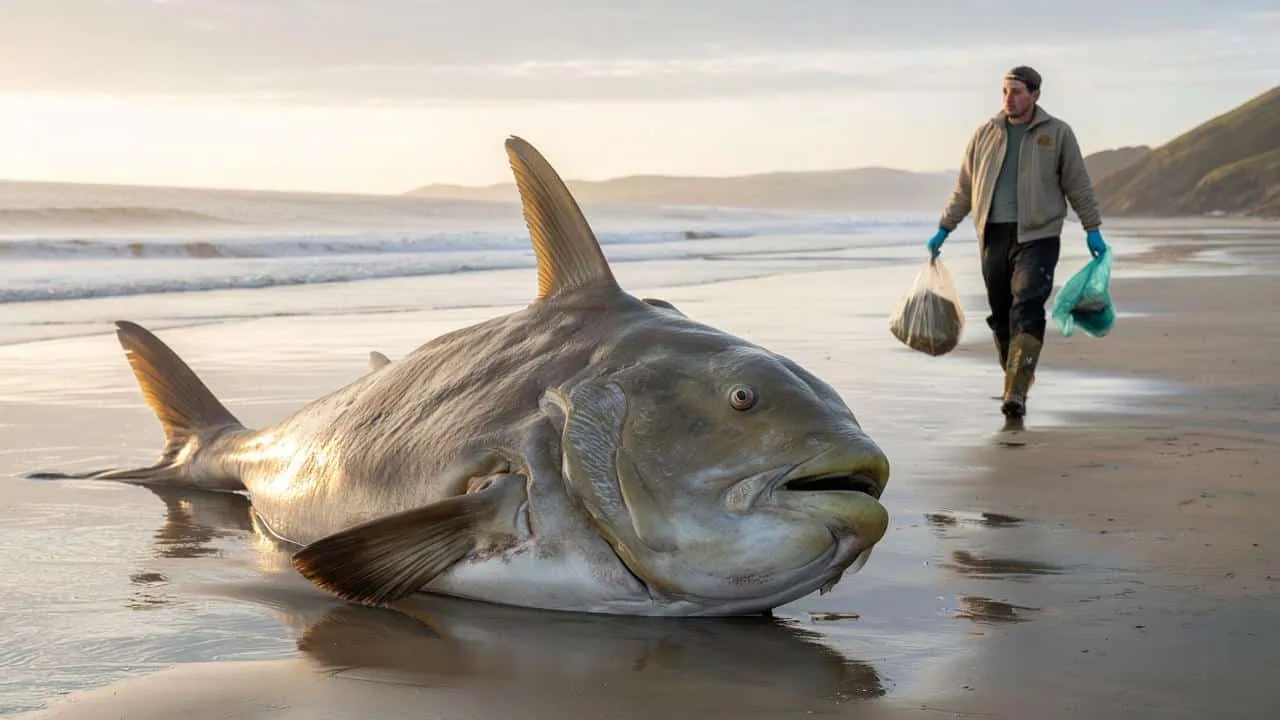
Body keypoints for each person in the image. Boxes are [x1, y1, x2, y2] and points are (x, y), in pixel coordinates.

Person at [926, 65, 1107, 419]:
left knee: (1027, 305)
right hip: (993, 233)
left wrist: (1092, 227)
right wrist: (944, 228)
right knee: (1001, 314)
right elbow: (965, 188)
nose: (1010, 98)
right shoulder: (985, 134)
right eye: (1005, 91)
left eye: (1018, 91)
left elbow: (1077, 184)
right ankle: (1016, 378)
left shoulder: (1056, 134)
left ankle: (1016, 392)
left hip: (1038, 235)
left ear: (1035, 94)